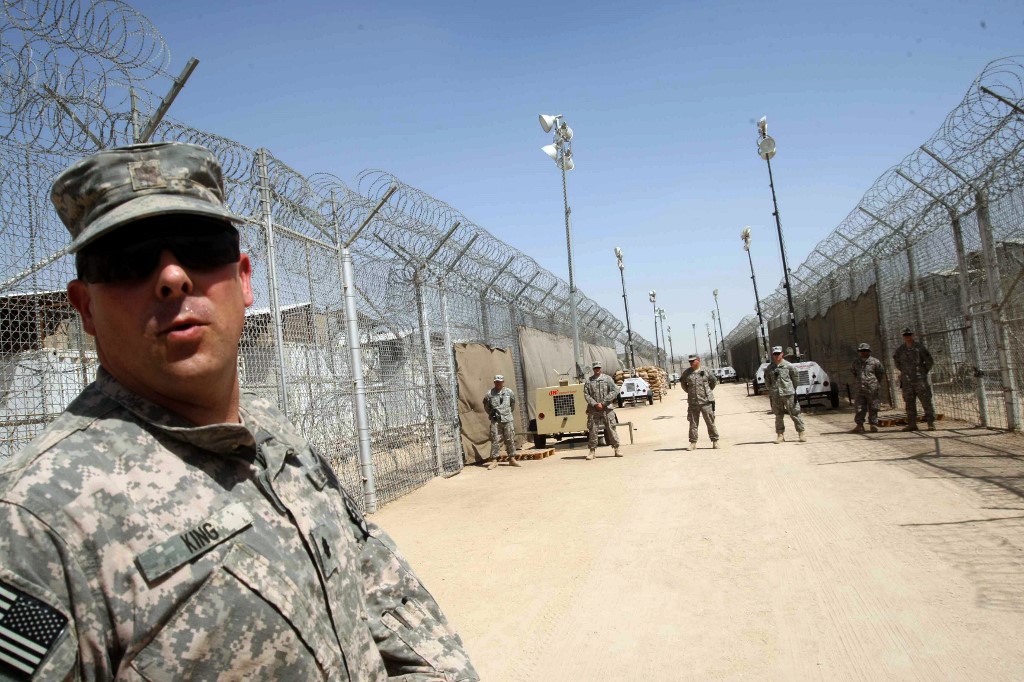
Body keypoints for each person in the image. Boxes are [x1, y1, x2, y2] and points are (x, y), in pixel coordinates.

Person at [0, 142, 477, 680]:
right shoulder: (36, 522)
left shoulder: (273, 433)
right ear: (85, 306)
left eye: (201, 248)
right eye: (126, 259)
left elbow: (383, 594)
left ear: (244, 278)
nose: (173, 278)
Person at [893, 327, 936, 431]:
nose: (907, 337)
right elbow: (897, 362)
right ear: (903, 337)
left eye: (909, 334)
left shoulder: (919, 348)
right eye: (905, 335)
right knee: (909, 403)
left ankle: (930, 423)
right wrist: (905, 371)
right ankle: (912, 424)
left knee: (926, 401)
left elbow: (929, 361)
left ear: (912, 335)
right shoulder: (900, 350)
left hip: (919, 380)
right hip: (907, 381)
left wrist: (922, 371)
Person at [764, 346, 807, 443]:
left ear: (782, 354)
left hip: (788, 394)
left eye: (778, 353)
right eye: (775, 354)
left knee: (795, 413)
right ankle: (780, 435)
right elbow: (767, 382)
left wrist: (791, 389)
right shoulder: (769, 368)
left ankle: (801, 433)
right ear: (772, 355)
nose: (776, 356)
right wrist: (772, 390)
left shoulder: (789, 366)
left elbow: (795, 379)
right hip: (776, 395)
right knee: (778, 415)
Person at [680, 354, 720, 450]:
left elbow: (713, 381)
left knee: (710, 422)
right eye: (690, 361)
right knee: (693, 423)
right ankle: (693, 443)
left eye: (693, 361)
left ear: (698, 360)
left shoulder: (706, 370)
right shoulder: (687, 373)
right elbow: (683, 385)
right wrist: (690, 392)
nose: (691, 363)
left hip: (706, 401)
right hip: (693, 402)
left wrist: (708, 391)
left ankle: (715, 441)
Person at [584, 360, 621, 460]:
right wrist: (595, 404)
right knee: (593, 429)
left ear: (601, 368)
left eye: (598, 368)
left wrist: (604, 403)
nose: (597, 370)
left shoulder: (608, 379)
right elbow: (586, 395)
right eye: (595, 368)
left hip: (606, 408)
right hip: (594, 409)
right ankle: (592, 451)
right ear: (593, 369)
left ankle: (616, 448)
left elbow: (615, 390)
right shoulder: (589, 381)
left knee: (611, 428)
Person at [483, 374, 518, 468]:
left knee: (510, 438)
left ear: (503, 382)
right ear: (494, 382)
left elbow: (512, 405)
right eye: (496, 381)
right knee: (495, 439)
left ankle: (512, 458)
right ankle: (494, 460)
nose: (498, 383)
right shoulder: (489, 394)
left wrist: (506, 413)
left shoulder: (509, 392)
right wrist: (492, 413)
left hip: (508, 419)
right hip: (496, 420)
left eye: (500, 381)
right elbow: (486, 406)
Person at [850, 342, 885, 433]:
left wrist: (874, 383)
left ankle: (873, 425)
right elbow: (854, 373)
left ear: (869, 351)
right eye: (861, 351)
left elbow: (880, 373)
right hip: (859, 388)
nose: (863, 352)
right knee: (859, 407)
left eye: (865, 351)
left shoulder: (875, 362)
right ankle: (859, 425)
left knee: (873, 406)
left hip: (872, 388)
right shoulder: (856, 362)